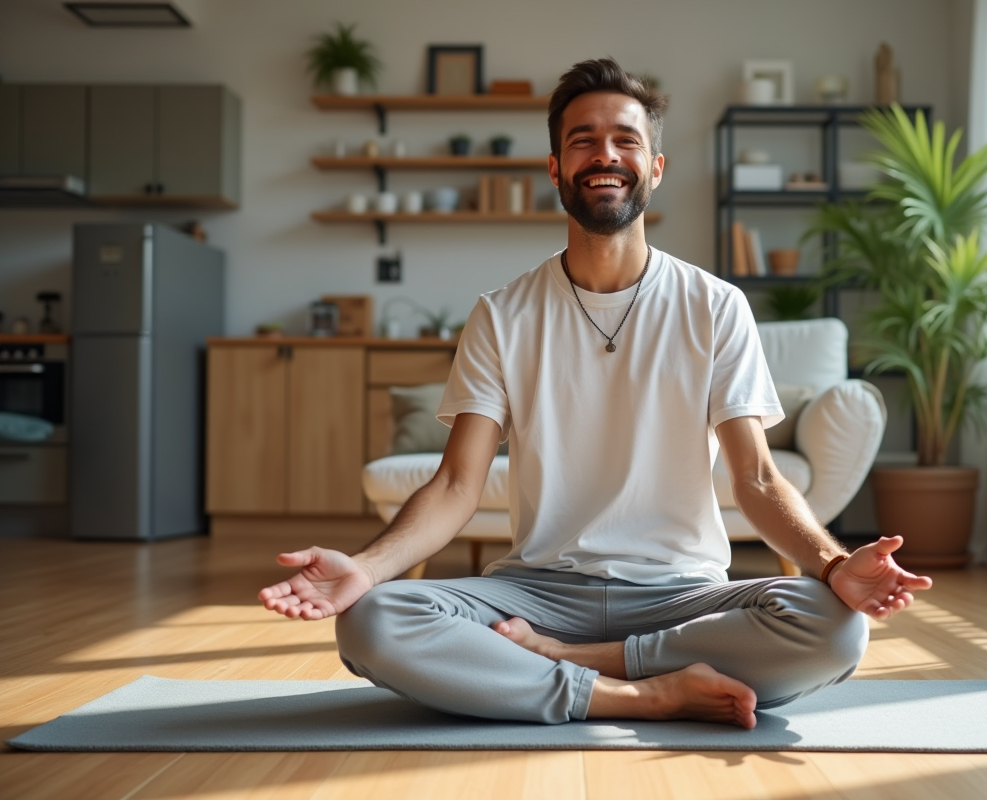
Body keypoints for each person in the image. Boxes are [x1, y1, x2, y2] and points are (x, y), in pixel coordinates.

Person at [259, 58, 932, 730]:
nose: (604, 154)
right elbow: (457, 486)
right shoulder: (501, 315)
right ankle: (645, 692)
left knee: (835, 627)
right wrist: (367, 568)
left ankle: (563, 663)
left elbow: (755, 476)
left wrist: (837, 565)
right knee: (373, 620)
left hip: (683, 593)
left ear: (655, 168)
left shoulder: (715, 306)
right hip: (536, 590)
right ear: (555, 169)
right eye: (582, 140)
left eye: (625, 140)